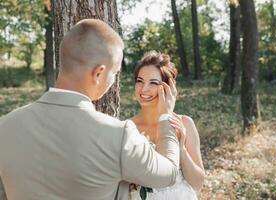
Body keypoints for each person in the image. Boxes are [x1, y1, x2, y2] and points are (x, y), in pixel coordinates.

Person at [0, 19, 180, 200]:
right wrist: (165, 117)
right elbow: (170, 173)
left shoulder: (5, 126)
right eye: (115, 73)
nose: (113, 81)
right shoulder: (118, 136)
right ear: (99, 73)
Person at [129, 51, 205, 199]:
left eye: (153, 83)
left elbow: (197, 184)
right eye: (140, 81)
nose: (143, 89)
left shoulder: (184, 124)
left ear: (168, 87)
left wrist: (181, 149)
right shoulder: (128, 127)